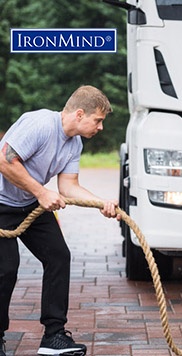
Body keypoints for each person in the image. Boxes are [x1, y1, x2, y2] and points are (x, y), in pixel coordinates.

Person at [0, 85, 120, 356]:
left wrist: (102, 203)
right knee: (6, 269)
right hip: (2, 204)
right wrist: (41, 192)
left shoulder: (74, 143)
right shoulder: (40, 124)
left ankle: (53, 337)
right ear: (80, 114)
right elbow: (5, 160)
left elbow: (68, 187)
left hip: (29, 204)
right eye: (98, 120)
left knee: (58, 257)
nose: (100, 128)